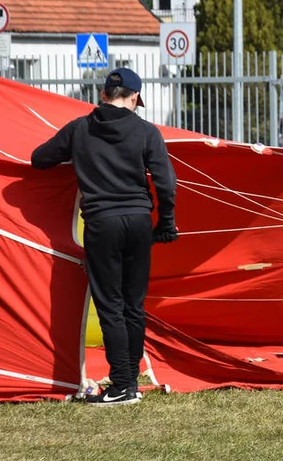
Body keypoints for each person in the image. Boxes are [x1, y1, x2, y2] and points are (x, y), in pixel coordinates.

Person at [31, 67, 177, 406]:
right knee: (133, 304)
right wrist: (166, 222)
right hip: (139, 221)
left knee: (110, 304)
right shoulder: (146, 131)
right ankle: (130, 378)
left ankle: (123, 385)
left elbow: (39, 159)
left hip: (101, 224)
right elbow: (167, 183)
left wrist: (75, 157)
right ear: (136, 97)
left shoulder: (80, 129)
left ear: (102, 95)